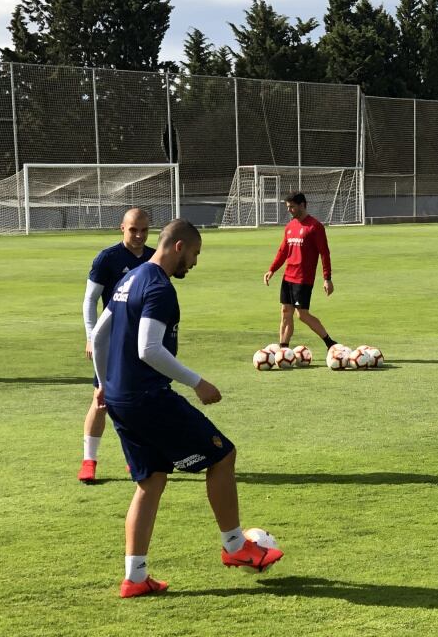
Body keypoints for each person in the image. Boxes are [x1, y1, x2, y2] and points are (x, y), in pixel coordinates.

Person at [92, 219, 284, 596]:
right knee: (223, 455)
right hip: (148, 398)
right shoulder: (160, 286)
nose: (194, 263)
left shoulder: (129, 279)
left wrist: (103, 384)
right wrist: (198, 383)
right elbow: (148, 349)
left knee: (150, 482)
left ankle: (134, 578)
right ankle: (235, 547)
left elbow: (99, 336)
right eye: (195, 254)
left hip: (119, 398)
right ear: (179, 246)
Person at [78, 208, 154, 483]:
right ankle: (89, 460)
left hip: (141, 342)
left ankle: (135, 458)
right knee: (101, 399)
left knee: (140, 399)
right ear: (122, 228)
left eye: (144, 230)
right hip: (110, 340)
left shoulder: (153, 257)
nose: (139, 235)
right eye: (133, 230)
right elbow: (89, 300)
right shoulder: (107, 259)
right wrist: (91, 335)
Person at [263, 192, 338, 350]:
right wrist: (272, 270)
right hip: (288, 277)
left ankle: (330, 342)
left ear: (302, 205)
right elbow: (283, 251)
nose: (289, 210)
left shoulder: (315, 227)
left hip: (302, 280)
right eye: (288, 207)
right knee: (285, 311)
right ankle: (283, 348)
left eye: (292, 207)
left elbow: (324, 253)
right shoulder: (290, 226)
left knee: (302, 314)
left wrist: (327, 278)